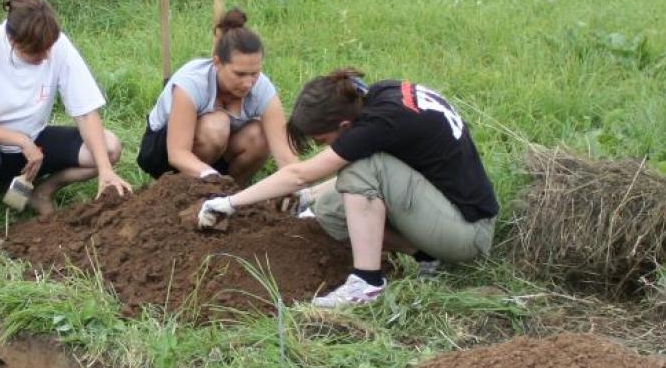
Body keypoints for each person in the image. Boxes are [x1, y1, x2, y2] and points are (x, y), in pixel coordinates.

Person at [198, 69, 498, 307]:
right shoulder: (380, 95)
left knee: (362, 167)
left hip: (468, 232)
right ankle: (424, 255)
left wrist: (230, 203)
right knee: (328, 210)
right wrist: (308, 198)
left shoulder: (379, 124)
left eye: (322, 140)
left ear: (343, 125)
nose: (324, 147)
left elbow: (301, 174)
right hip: (439, 209)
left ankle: (366, 283)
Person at [0, 0, 132, 237]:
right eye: (37, 52)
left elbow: (85, 112)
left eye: (49, 48)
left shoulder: (57, 44)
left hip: (34, 141)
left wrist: (105, 170)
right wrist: (20, 140)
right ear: (13, 41)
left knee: (109, 147)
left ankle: (41, 192)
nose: (47, 56)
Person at [137, 9, 297, 187]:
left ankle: (234, 194)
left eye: (255, 73)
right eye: (239, 74)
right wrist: (212, 177)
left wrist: (300, 189)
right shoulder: (192, 83)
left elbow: (285, 153)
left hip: (218, 155)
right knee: (217, 124)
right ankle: (182, 191)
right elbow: (177, 153)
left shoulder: (263, 88)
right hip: (165, 153)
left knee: (260, 135)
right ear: (217, 63)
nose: (248, 83)